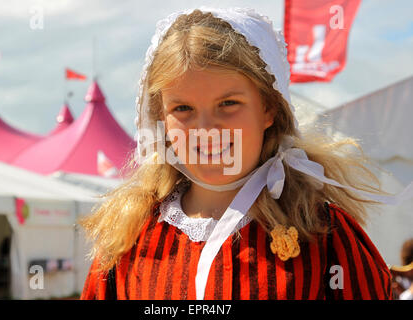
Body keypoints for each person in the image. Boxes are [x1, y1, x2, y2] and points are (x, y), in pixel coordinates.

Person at [79, 7, 413, 300]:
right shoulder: (129, 237)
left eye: (228, 104)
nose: (206, 129)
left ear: (268, 108)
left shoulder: (324, 234)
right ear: (161, 120)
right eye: (183, 108)